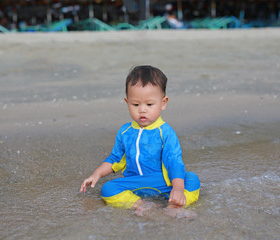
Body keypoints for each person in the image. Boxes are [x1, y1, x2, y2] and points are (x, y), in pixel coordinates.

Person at [79, 65, 200, 218]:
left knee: (191, 180)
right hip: (135, 183)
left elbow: (174, 161)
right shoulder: (125, 132)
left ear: (163, 103)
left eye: (149, 104)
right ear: (127, 102)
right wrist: (96, 174)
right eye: (135, 104)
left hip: (163, 181)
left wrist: (177, 188)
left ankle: (174, 206)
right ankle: (141, 204)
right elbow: (116, 159)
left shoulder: (166, 132)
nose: (142, 110)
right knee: (108, 189)